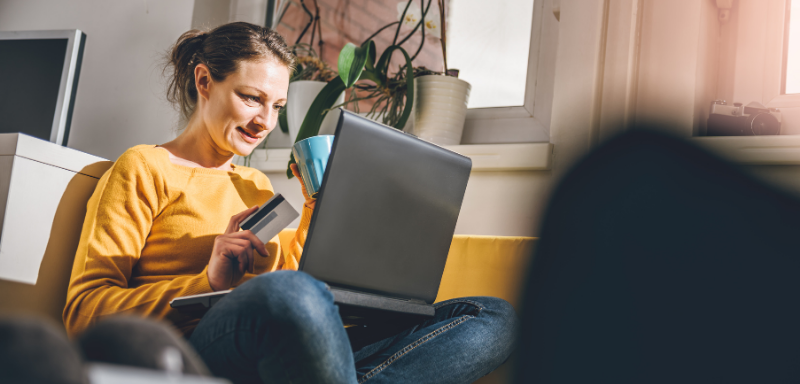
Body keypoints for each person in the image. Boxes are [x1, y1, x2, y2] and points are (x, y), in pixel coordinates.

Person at [63, 22, 516, 384]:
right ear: (204, 81)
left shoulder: (255, 185)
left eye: (278, 106)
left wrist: (324, 208)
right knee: (289, 296)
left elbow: (299, 295)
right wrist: (206, 283)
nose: (265, 121)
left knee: (494, 317)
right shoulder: (145, 167)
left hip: (285, 345)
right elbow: (84, 311)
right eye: (251, 98)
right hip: (200, 347)